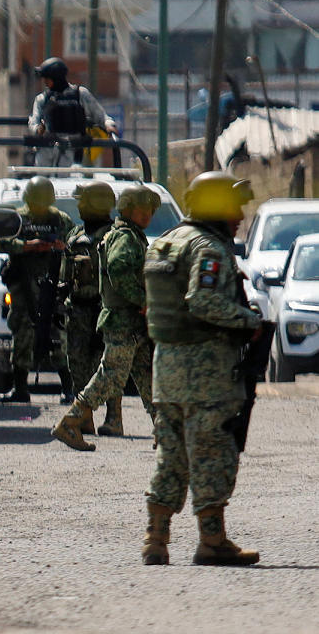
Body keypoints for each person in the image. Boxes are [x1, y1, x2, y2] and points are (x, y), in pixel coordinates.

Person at [139, 171, 263, 567]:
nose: (240, 216)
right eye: (234, 207)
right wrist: (250, 321)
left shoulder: (164, 243)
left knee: (171, 456)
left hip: (168, 372)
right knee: (212, 453)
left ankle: (155, 540)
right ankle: (212, 541)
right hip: (206, 374)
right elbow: (203, 302)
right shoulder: (208, 249)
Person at [53, 184, 162, 452]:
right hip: (123, 321)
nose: (147, 215)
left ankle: (166, 429)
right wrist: (143, 300)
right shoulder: (125, 236)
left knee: (147, 376)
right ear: (128, 210)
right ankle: (71, 421)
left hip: (130, 323)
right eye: (142, 210)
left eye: (150, 211)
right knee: (110, 376)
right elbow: (117, 268)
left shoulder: (129, 234)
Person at [0, 176, 75, 403]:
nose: (39, 208)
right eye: (35, 203)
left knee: (58, 335)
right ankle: (20, 388)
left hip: (52, 286)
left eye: (42, 204)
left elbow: (77, 241)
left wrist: (62, 246)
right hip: (23, 285)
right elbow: (2, 242)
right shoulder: (18, 219)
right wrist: (27, 246)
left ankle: (68, 388)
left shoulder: (60, 220)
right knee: (22, 335)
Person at [58, 181, 118, 427]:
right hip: (78, 311)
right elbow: (65, 272)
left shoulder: (115, 236)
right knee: (78, 362)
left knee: (108, 365)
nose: (79, 206)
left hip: (104, 311)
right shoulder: (75, 235)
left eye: (83, 201)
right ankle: (85, 418)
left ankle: (114, 417)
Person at [29, 57, 118, 165]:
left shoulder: (80, 94)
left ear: (56, 78)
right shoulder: (42, 99)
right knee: (42, 180)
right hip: (46, 152)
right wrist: (38, 130)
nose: (45, 82)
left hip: (73, 151)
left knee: (71, 178)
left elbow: (101, 115)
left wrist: (109, 125)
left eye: (47, 79)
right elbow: (34, 122)